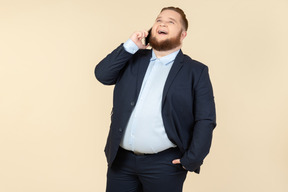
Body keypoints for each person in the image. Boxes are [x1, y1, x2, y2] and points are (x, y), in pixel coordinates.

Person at [95, 6, 216, 192]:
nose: (162, 23)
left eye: (170, 22)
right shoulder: (132, 57)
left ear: (183, 35)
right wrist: (130, 45)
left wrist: (192, 159)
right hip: (121, 162)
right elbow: (102, 75)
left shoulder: (196, 71)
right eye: (159, 20)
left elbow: (205, 119)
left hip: (165, 165)